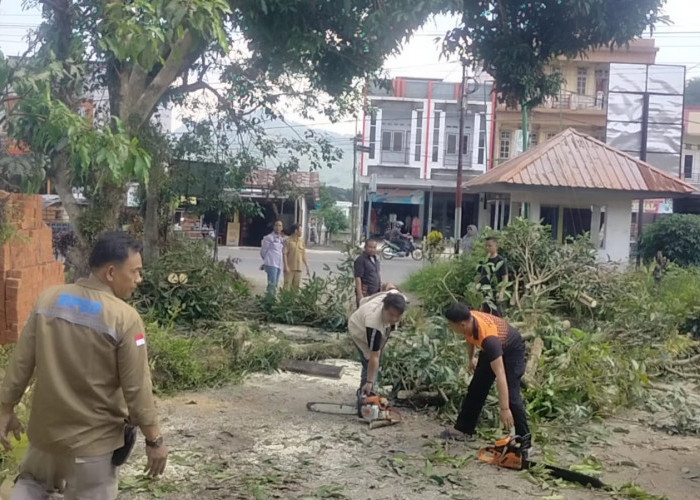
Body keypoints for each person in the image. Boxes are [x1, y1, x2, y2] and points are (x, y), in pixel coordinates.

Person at [0, 231, 167, 499]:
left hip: (44, 439)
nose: (139, 280)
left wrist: (5, 408)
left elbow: (21, 361)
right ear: (111, 272)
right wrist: (154, 440)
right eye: (135, 272)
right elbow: (137, 388)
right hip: (92, 448)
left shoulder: (48, 299)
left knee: (30, 485)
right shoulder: (125, 318)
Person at [441, 303, 530, 442]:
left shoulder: (489, 340)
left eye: (451, 324)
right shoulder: (469, 320)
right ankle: (464, 428)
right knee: (477, 387)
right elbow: (469, 337)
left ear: (461, 324)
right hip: (493, 346)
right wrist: (471, 358)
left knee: (512, 397)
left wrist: (504, 409)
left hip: (512, 348)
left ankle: (524, 440)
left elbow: (500, 375)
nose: (450, 327)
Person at [348, 288, 407, 403]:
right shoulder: (374, 324)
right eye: (391, 315)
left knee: (379, 357)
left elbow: (392, 288)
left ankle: (372, 387)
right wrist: (369, 382)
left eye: (398, 316)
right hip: (358, 328)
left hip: (378, 324)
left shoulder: (400, 299)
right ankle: (365, 395)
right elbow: (374, 356)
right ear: (384, 309)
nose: (394, 319)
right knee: (369, 361)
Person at [478, 236, 509, 317]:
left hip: (495, 293)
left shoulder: (501, 261)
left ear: (496, 246)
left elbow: (505, 278)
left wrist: (501, 292)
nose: (487, 248)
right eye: (486, 246)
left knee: (496, 316)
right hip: (484, 293)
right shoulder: (484, 260)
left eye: (489, 246)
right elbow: (479, 276)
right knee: (484, 315)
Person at [353, 239, 381, 307]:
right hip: (365, 292)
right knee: (363, 312)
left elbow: (377, 274)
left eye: (374, 248)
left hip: (375, 292)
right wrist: (360, 295)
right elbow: (358, 278)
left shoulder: (375, 259)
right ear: (365, 247)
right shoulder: (361, 260)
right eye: (370, 247)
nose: (372, 249)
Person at [260, 220, 285, 295]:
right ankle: (269, 300)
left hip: (279, 264)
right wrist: (267, 260)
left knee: (275, 283)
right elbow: (263, 251)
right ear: (274, 227)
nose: (278, 227)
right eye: (276, 225)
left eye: (280, 226)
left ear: (282, 228)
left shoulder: (281, 239)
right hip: (271, 263)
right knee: (272, 283)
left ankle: (272, 299)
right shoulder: (269, 238)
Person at [283, 224, 310, 290]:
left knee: (296, 288)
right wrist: (286, 266)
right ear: (296, 231)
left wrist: (307, 265)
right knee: (287, 287)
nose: (301, 232)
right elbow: (284, 254)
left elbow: (303, 254)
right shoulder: (287, 241)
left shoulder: (302, 241)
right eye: (300, 230)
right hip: (289, 269)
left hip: (299, 268)